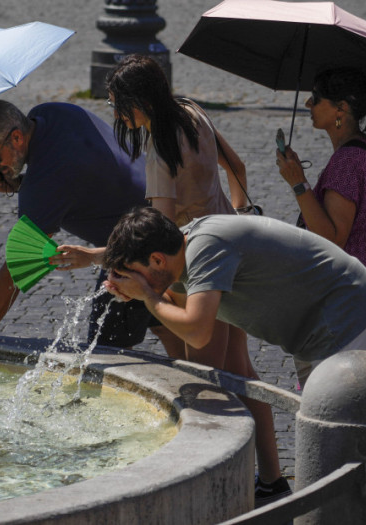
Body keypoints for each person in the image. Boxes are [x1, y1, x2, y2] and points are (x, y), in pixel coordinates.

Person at [52, 55, 286, 504]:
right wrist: (236, 213)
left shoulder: (160, 148)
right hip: (229, 248)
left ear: (138, 101)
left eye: (117, 102)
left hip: (196, 265)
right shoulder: (192, 110)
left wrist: (94, 258)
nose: (115, 111)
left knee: (202, 378)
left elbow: (159, 240)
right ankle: (272, 478)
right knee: (239, 371)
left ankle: (208, 483)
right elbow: (235, 164)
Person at [103, 207, 366, 506]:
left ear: (157, 259)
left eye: (136, 272)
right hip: (318, 325)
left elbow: (197, 331)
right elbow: (178, 303)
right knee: (329, 439)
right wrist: (95, 258)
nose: (135, 280)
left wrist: (148, 296)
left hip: (347, 314)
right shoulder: (186, 243)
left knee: (342, 441)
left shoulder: (208, 248)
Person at [0, 99, 148, 368]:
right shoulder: (50, 113)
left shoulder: (45, 185)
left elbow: (19, 268)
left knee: (105, 360)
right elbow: (73, 172)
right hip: (162, 209)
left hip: (142, 243)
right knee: (171, 327)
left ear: (16, 137)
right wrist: (19, 182)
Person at [276, 67, 366, 366]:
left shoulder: (347, 162)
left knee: (345, 384)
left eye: (317, 98)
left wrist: (299, 183)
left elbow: (332, 237)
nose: (308, 104)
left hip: (357, 287)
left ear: (341, 109)